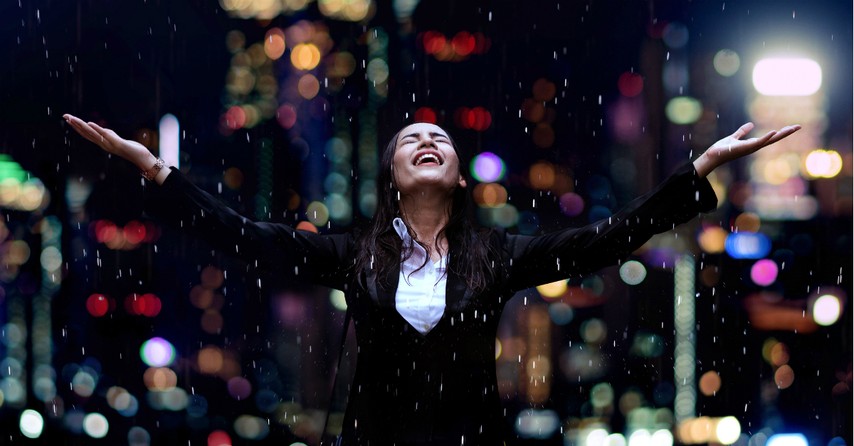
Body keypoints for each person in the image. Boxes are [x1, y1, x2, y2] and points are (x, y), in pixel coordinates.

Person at [63, 114, 799, 445]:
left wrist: (696, 171)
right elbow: (243, 237)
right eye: (411, 139)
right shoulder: (353, 254)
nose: (427, 142)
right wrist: (158, 172)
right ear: (392, 172)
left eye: (439, 140)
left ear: (453, 175)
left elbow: (607, 239)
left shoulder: (498, 254)